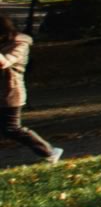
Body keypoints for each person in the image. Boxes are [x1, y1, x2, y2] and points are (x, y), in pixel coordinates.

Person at [0, 11, 63, 164]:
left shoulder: (20, 43)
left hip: (10, 94)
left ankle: (49, 152)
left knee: (12, 129)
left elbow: (4, 63)